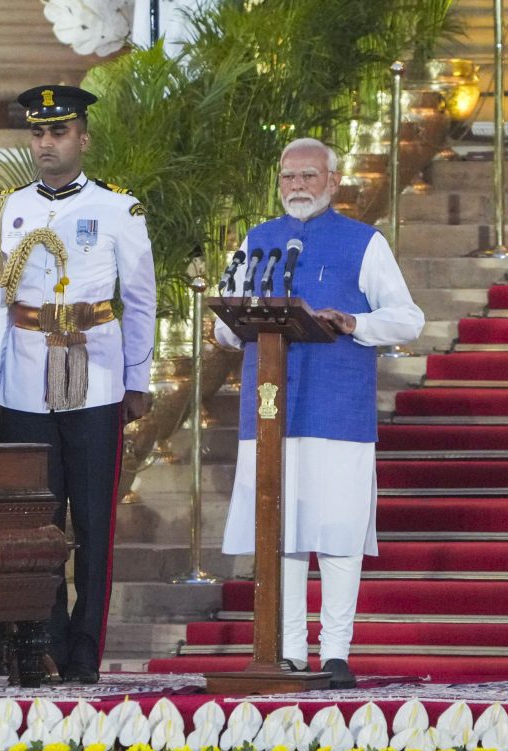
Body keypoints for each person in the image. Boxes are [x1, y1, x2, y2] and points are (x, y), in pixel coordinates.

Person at [215, 137, 425, 687]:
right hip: (269, 411)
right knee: (279, 531)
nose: (298, 187)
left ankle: (335, 651)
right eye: (288, 178)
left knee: (336, 531)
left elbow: (408, 319)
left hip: (336, 410)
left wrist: (356, 323)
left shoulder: (363, 242)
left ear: (333, 182)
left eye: (309, 177)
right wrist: (234, 317)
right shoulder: (258, 242)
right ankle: (287, 649)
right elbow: (222, 324)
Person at [0, 85, 157, 684]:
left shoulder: (119, 209)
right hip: (28, 376)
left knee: (91, 518)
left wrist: (139, 378)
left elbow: (139, 302)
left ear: (83, 138)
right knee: (39, 519)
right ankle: (47, 643)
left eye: (58, 132)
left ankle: (86, 646)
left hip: (96, 373)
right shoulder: (9, 208)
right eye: (38, 133)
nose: (46, 144)